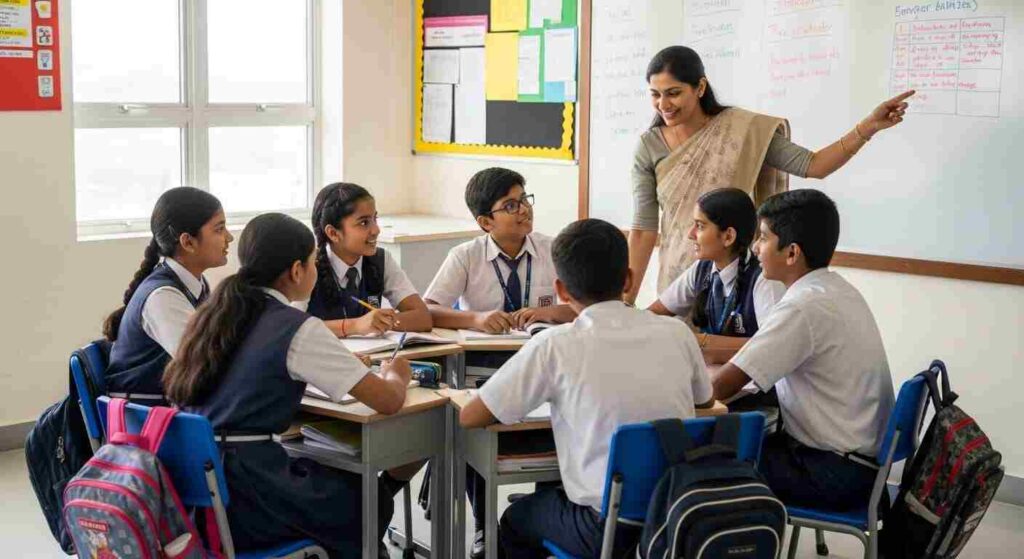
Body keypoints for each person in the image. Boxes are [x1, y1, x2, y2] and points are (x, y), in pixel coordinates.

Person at [459, 218, 713, 559]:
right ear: (628, 279)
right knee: (552, 497)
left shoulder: (555, 343)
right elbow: (706, 401)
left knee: (515, 520)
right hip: (679, 515)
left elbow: (472, 417)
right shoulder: (677, 332)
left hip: (607, 528)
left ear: (561, 291)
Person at [163, 213, 412, 558]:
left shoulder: (213, 314)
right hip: (249, 495)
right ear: (296, 271)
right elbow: (387, 401)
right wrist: (397, 373)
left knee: (335, 479)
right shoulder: (295, 326)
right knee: (369, 498)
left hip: (196, 493)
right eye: (313, 262)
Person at [626, 45, 914, 301]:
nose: (663, 105)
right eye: (655, 95)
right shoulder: (649, 146)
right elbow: (642, 230)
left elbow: (814, 165)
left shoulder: (745, 131)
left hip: (738, 283)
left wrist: (868, 127)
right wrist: (623, 304)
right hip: (677, 278)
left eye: (673, 93)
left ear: (700, 87)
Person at [424, 167, 577, 557]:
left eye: (525, 199)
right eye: (510, 205)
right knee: (473, 429)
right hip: (483, 369)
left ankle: (546, 511)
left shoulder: (552, 249)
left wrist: (549, 313)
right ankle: (482, 525)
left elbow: (582, 305)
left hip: (543, 369)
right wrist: (474, 318)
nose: (524, 209)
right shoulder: (466, 256)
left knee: (562, 423)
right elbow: (429, 310)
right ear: (485, 221)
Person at [711, 189, 895, 509]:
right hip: (861, 463)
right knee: (741, 439)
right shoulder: (836, 289)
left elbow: (722, 386)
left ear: (792, 253)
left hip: (832, 471)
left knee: (704, 463)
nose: (755, 248)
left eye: (763, 238)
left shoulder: (802, 307)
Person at [104, 187, 231, 402]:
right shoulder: (163, 297)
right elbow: (204, 364)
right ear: (187, 242)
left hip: (170, 410)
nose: (229, 237)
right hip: (145, 417)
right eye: (219, 229)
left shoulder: (196, 285)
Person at [648, 187, 785, 364]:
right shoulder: (702, 269)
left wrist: (701, 342)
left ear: (728, 236)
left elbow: (772, 347)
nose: (690, 234)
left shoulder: (764, 279)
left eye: (700, 226)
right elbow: (653, 314)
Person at [305, 182, 432, 335]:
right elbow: (293, 327)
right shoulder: (308, 267)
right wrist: (355, 326)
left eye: (375, 219)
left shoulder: (381, 260)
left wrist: (380, 322)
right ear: (333, 233)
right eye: (364, 222)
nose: (376, 230)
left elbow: (423, 317)